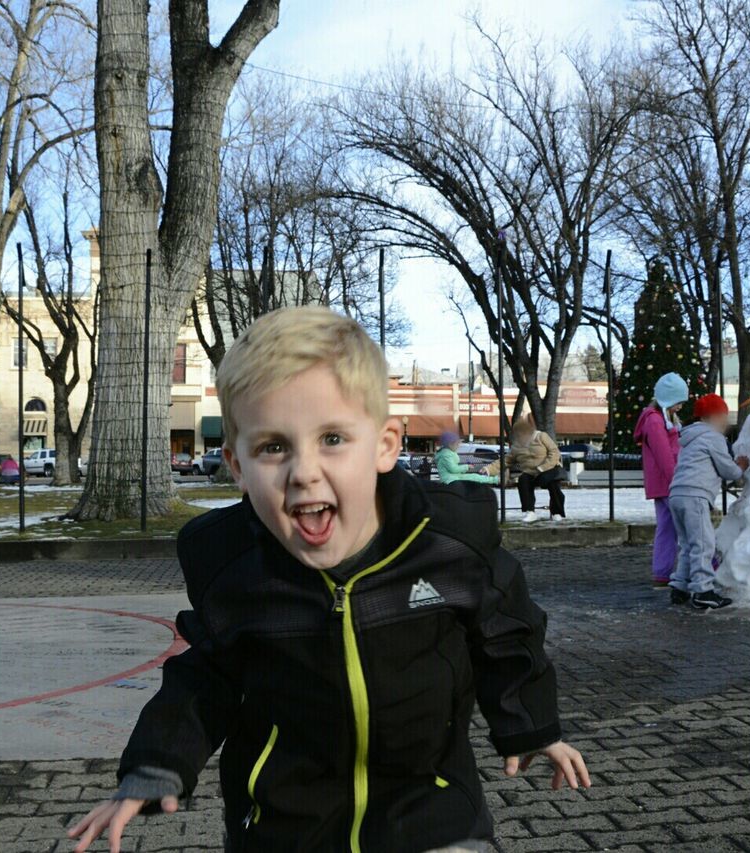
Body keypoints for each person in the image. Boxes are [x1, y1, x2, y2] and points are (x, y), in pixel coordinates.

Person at [69, 307, 589, 853]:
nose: (304, 471)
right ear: (238, 467)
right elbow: (204, 679)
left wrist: (532, 724)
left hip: (431, 812)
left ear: (385, 445)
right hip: (285, 825)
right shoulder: (236, 567)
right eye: (273, 447)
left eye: (333, 438)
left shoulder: (447, 543)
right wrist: (156, 766)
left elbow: (507, 632)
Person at [668, 393, 749, 611]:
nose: (726, 422)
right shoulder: (713, 438)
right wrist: (740, 466)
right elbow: (728, 470)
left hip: (676, 494)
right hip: (695, 496)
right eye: (724, 417)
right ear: (714, 416)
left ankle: (680, 586)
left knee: (687, 543)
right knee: (704, 543)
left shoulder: (689, 437)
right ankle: (703, 591)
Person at [634, 373, 688, 587]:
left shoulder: (656, 419)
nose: (680, 408)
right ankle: (709, 565)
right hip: (669, 483)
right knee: (688, 525)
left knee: (667, 527)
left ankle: (662, 572)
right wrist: (677, 481)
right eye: (678, 403)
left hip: (662, 483)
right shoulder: (656, 421)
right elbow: (665, 455)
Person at [508, 413, 567, 523]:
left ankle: (557, 513)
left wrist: (542, 468)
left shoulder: (541, 436)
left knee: (553, 484)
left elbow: (554, 452)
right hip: (530, 473)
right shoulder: (518, 445)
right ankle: (530, 512)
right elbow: (506, 460)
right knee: (523, 480)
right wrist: (489, 469)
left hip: (548, 470)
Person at [434, 430, 501, 486]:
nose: (458, 446)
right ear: (450, 444)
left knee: (474, 476)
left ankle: (495, 479)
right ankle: (496, 480)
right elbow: (453, 469)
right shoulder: (446, 455)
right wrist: (466, 467)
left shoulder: (448, 453)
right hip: (450, 479)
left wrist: (465, 467)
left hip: (453, 477)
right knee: (474, 477)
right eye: (457, 444)